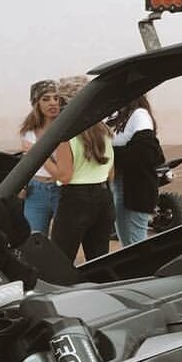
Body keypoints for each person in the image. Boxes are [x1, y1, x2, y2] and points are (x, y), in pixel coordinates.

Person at [47, 109, 115, 263]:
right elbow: (111, 173)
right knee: (98, 260)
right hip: (104, 195)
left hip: (75, 198)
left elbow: (64, 177)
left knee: (60, 259)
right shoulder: (104, 132)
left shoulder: (67, 138)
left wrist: (44, 159)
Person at [108, 94, 163, 246]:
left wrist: (111, 154)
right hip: (121, 184)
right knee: (127, 241)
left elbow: (145, 151)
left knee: (135, 242)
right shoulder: (120, 117)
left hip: (135, 187)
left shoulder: (139, 115)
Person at [18, 80, 62, 233]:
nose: (53, 103)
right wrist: (22, 185)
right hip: (35, 190)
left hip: (62, 190)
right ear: (36, 103)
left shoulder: (65, 129)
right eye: (46, 99)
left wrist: (36, 151)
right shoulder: (28, 132)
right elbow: (26, 163)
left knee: (63, 240)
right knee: (33, 238)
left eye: (56, 98)